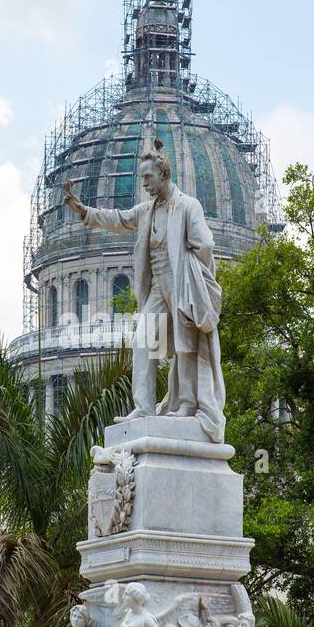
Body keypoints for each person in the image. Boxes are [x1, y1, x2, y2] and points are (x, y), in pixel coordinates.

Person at [63, 140, 226, 443]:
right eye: (141, 178)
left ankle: (188, 403)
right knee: (144, 341)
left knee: (185, 345)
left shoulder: (188, 206)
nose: (144, 184)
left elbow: (205, 245)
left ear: (164, 174)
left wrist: (194, 280)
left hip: (181, 284)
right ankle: (143, 406)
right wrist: (83, 210)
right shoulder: (146, 210)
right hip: (158, 286)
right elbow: (117, 219)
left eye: (147, 178)